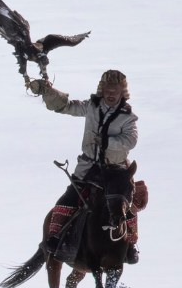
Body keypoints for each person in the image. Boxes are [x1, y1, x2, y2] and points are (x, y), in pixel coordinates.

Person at [26, 69, 139, 262]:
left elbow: (131, 140)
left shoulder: (128, 117)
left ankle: (130, 244)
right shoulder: (91, 107)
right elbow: (66, 106)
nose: (111, 95)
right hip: (88, 169)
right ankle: (54, 238)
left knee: (126, 206)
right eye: (108, 90)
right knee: (66, 201)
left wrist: (105, 142)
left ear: (122, 93)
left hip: (114, 170)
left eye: (116, 91)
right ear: (102, 90)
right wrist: (47, 90)